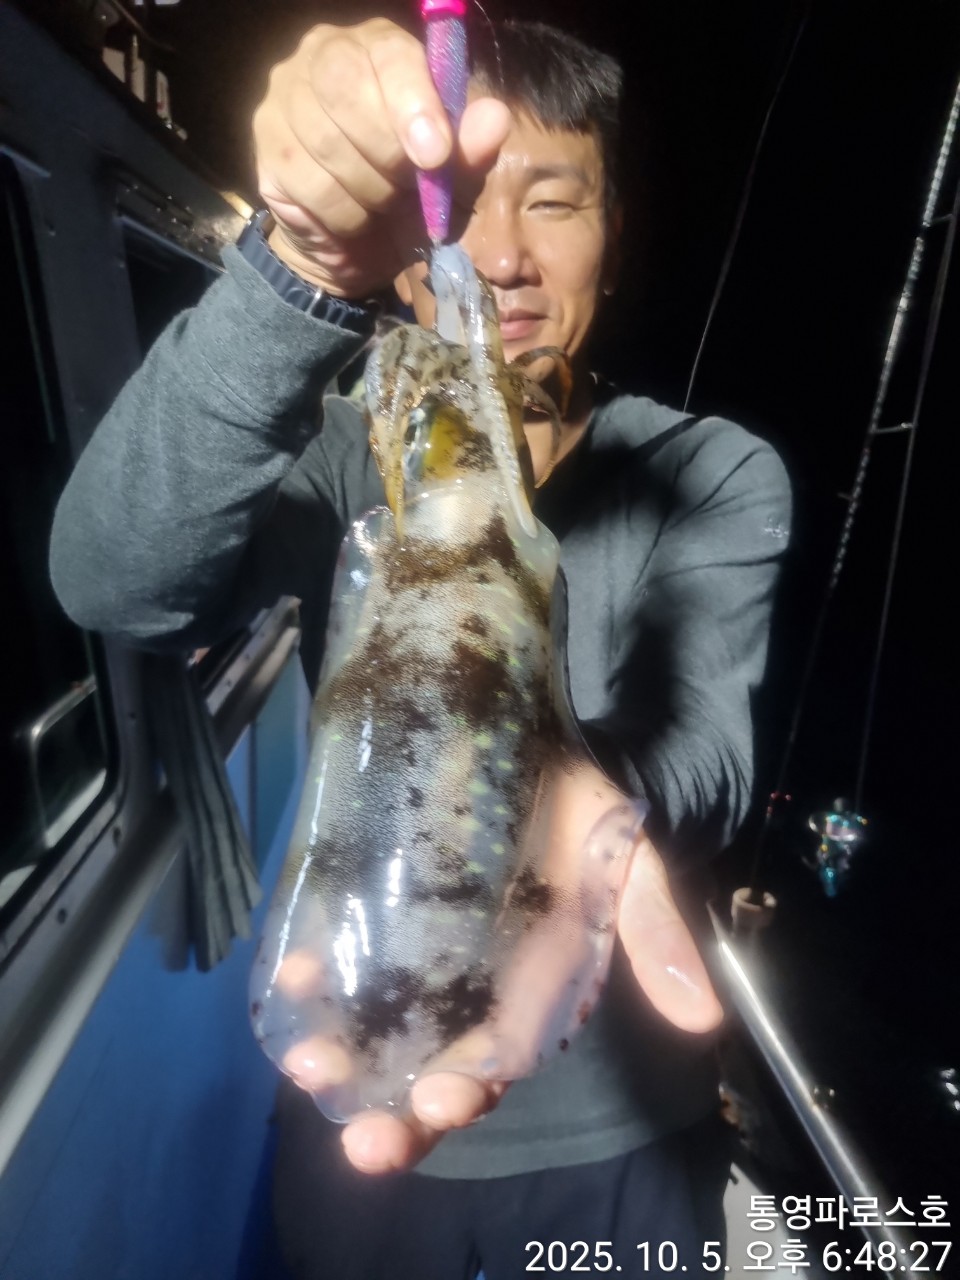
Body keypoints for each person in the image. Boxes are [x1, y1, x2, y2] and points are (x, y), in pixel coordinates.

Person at [50, 17, 791, 1279]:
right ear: (407, 258)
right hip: (361, 1091)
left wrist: (567, 786)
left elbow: (711, 757)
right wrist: (298, 268)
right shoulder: (352, 455)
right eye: (464, 211)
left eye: (553, 201)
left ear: (615, 230)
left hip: (621, 1129)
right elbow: (117, 579)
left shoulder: (707, 469)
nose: (500, 257)